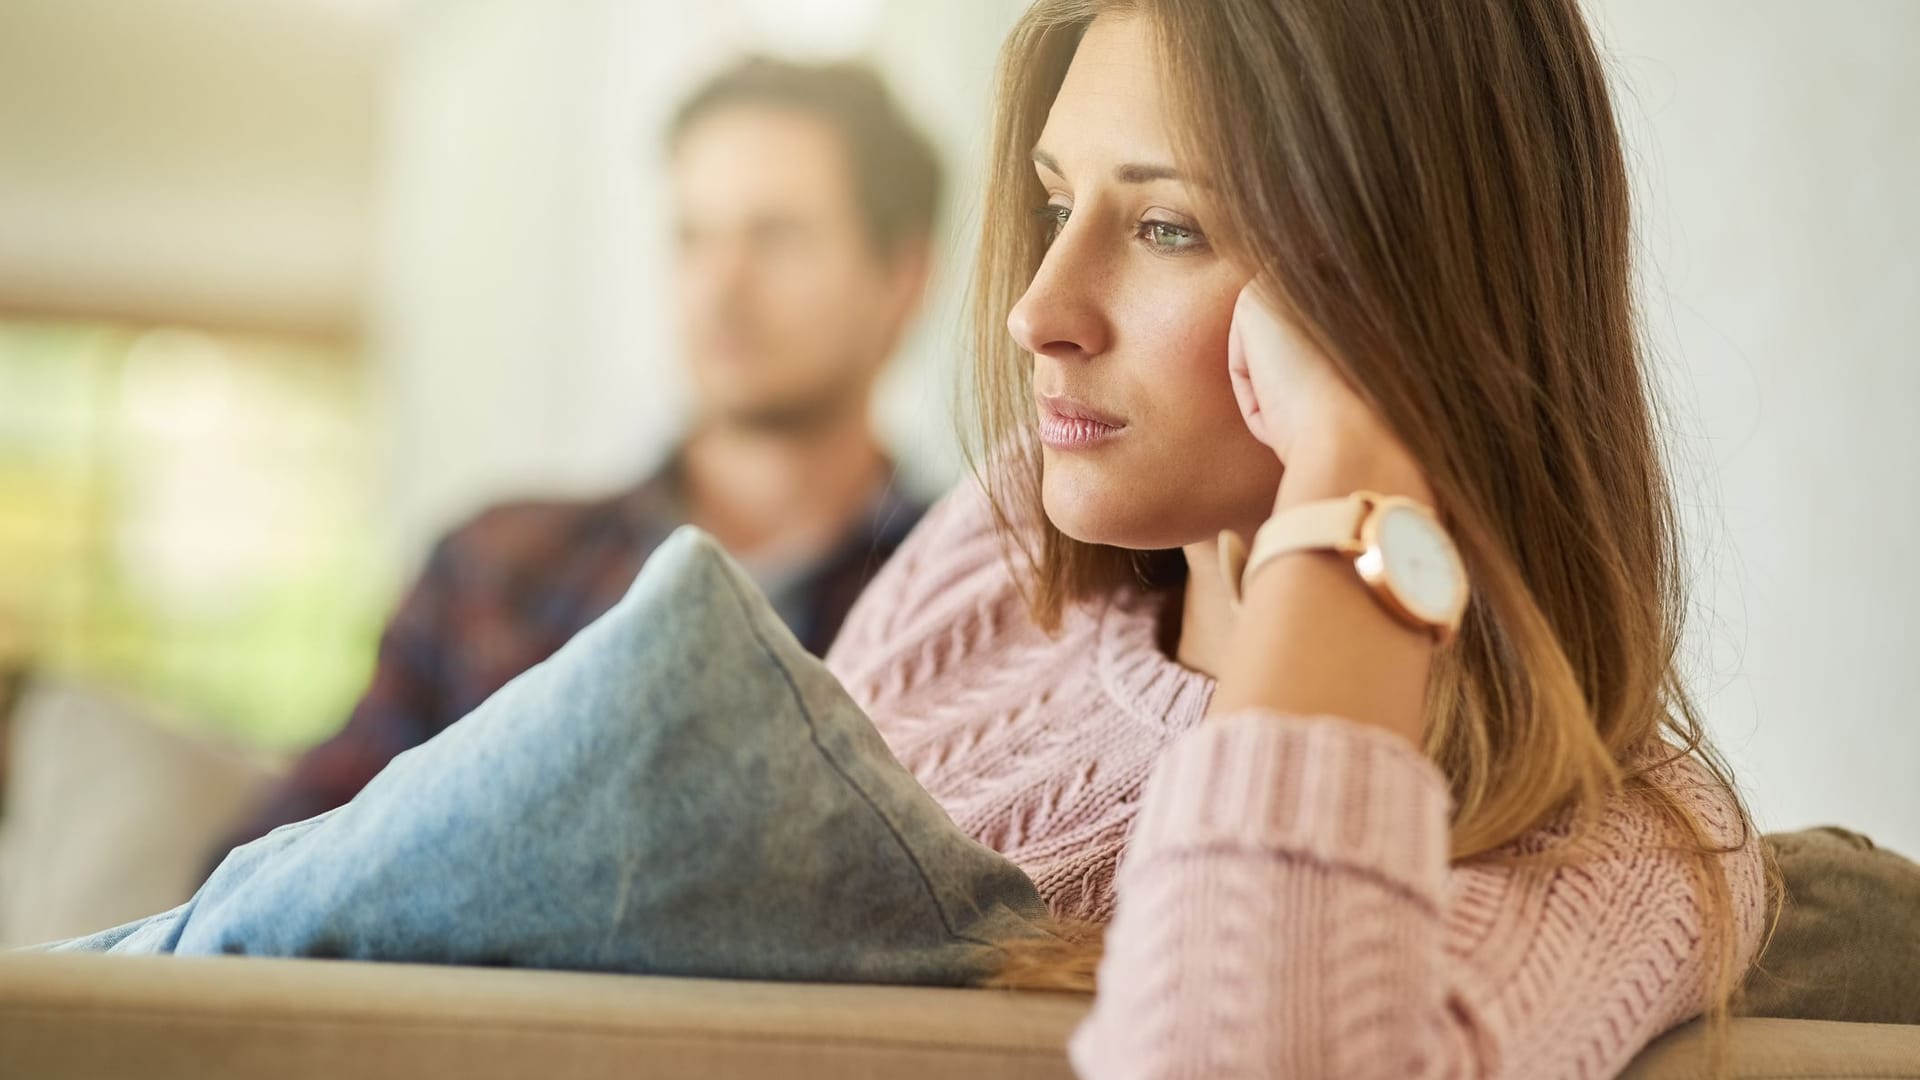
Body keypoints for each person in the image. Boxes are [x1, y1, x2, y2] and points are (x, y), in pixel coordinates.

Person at [817, 2, 1772, 1077]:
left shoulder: (1618, 846)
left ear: (1404, 287)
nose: (1038, 312)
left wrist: (1355, 484)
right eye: (1054, 205)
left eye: (1167, 227)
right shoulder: (1005, 552)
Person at [209, 56, 943, 868]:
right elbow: (263, 875)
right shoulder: (494, 570)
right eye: (692, 237)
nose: (719, 287)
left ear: (902, 279)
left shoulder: (978, 598)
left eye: (777, 237)